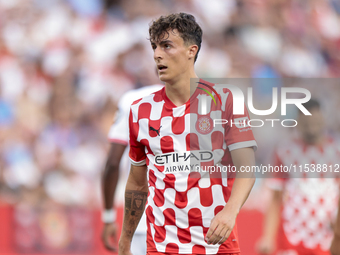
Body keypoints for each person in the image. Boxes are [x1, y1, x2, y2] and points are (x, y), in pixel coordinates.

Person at [118, 13, 257, 255]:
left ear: (191, 51)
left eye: (167, 46)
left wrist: (230, 211)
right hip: (162, 246)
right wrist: (125, 239)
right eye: (154, 47)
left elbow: (247, 167)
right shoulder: (140, 111)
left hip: (216, 245)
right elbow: (137, 183)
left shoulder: (225, 100)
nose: (157, 54)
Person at [257, 99, 340, 255]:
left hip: (327, 237)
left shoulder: (336, 151)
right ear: (298, 122)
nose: (311, 127)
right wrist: (267, 237)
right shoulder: (285, 151)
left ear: (323, 119)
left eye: (315, 121)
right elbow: (275, 198)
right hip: (292, 235)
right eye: (307, 122)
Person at [101, 84, 163, 254]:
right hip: (184, 222)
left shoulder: (134, 100)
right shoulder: (201, 99)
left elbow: (113, 162)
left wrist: (108, 217)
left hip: (141, 222)